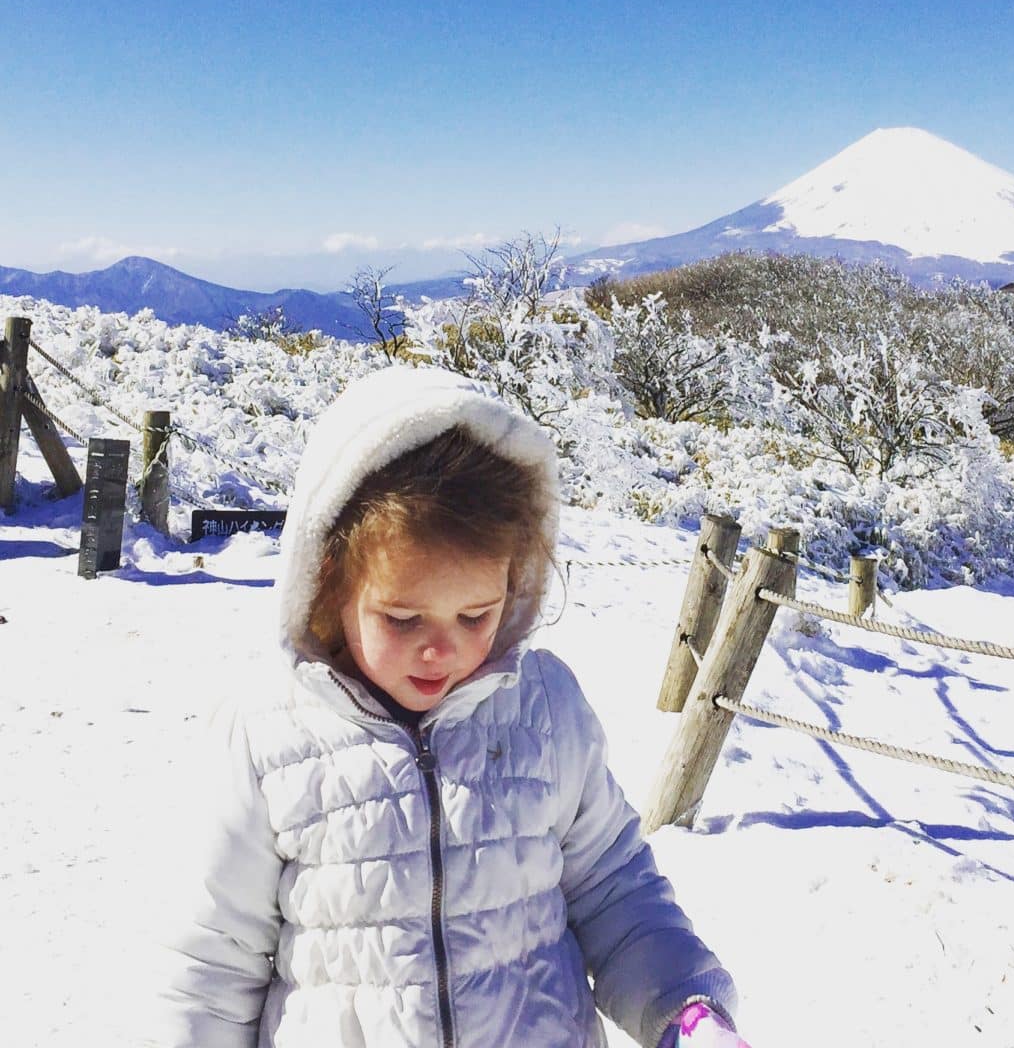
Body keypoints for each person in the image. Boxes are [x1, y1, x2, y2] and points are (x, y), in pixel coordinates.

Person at [150, 365, 749, 1048]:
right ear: (328, 587)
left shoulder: (544, 712)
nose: (442, 650)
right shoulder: (268, 736)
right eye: (403, 619)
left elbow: (614, 891)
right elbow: (211, 960)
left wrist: (683, 1005)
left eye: (475, 615)